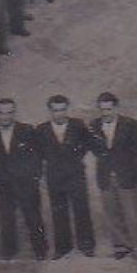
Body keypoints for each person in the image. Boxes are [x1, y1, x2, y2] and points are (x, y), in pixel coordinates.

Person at [0, 98, 48, 262]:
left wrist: (34, 177)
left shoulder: (27, 130)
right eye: (2, 113)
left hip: (26, 183)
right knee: (6, 217)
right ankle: (9, 250)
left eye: (9, 113)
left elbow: (37, 156)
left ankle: (40, 249)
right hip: (2, 184)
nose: (6, 117)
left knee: (32, 216)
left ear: (14, 113)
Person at [89, 91, 137, 266]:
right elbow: (95, 149)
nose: (106, 113)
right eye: (102, 109)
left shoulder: (130, 124)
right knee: (112, 214)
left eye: (109, 109)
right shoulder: (93, 125)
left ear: (116, 108)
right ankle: (121, 246)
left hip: (127, 177)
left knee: (133, 215)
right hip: (105, 177)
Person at [36, 93, 97, 259]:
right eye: (56, 110)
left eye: (63, 110)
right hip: (54, 177)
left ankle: (86, 245)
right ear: (50, 111)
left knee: (81, 210)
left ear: (67, 109)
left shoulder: (77, 125)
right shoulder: (41, 130)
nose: (60, 114)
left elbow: (87, 143)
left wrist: (76, 157)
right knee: (58, 212)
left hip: (75, 174)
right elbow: (39, 152)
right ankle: (63, 247)